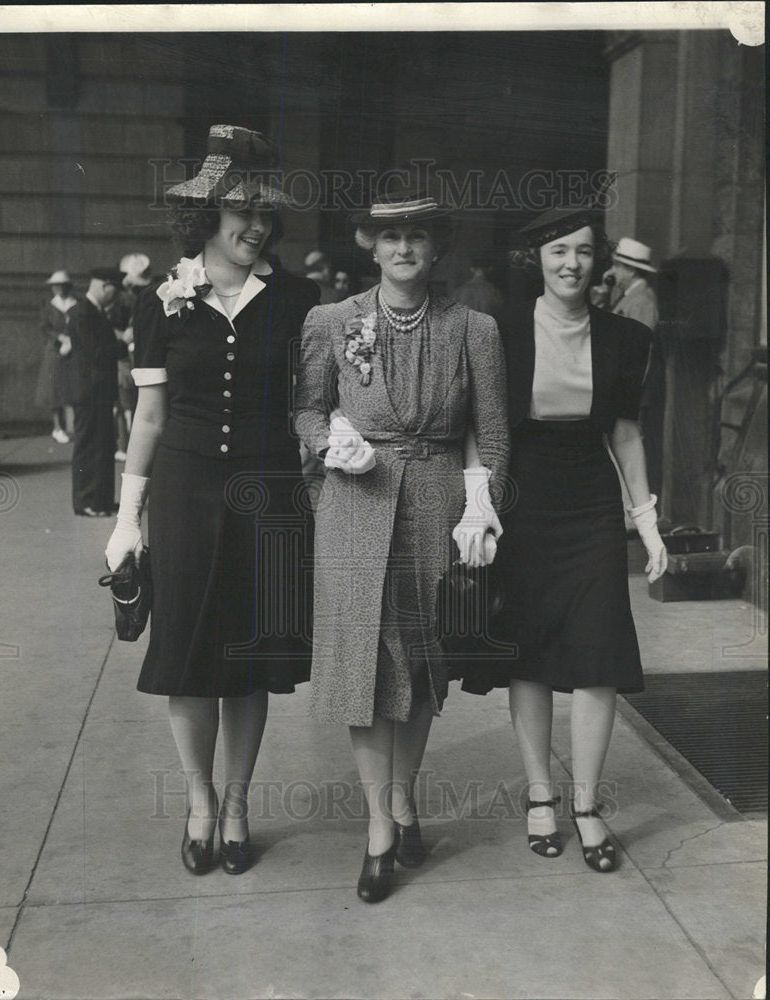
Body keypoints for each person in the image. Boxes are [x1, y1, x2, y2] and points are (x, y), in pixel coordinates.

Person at [104, 125, 320, 876]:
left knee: (251, 657)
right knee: (190, 652)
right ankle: (199, 802)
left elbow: (311, 399)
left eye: (264, 212)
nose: (255, 225)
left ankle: (236, 803)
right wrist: (127, 521)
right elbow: (150, 419)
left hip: (270, 497)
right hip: (186, 496)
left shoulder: (298, 299)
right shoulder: (164, 301)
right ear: (209, 215)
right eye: (241, 209)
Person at [295, 187, 509, 902]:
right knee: (363, 666)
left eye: (418, 236)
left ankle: (405, 796)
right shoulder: (332, 320)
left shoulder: (472, 328)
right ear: (368, 243)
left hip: (436, 506)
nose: (404, 248)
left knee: (419, 666)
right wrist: (331, 442)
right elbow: (307, 409)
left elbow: (496, 434)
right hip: (355, 505)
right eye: (390, 237)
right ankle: (379, 826)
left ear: (436, 246)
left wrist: (480, 508)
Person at [479, 207, 667, 872]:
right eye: (559, 251)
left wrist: (643, 519)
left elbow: (625, 432)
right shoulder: (500, 331)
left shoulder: (623, 337)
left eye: (584, 253)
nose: (570, 264)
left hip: (590, 501)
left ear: (599, 262)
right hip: (523, 497)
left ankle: (585, 806)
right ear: (539, 258)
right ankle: (539, 793)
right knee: (529, 648)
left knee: (598, 652)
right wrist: (479, 503)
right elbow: (483, 424)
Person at [604, 237, 664, 493]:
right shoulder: (629, 296)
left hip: (630, 391)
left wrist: (628, 392)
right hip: (622, 389)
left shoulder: (642, 300)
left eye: (617, 266)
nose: (613, 272)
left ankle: (632, 508)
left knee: (629, 447)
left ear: (630, 269)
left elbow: (640, 352)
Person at [69, 267, 126, 516]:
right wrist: (124, 344)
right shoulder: (84, 313)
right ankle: (86, 501)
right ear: (104, 285)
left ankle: (101, 499)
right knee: (90, 446)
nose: (116, 296)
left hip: (96, 392)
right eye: (115, 290)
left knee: (103, 445)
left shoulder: (91, 312)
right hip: (90, 392)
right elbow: (98, 353)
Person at [110, 253, 152, 461]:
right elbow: (108, 325)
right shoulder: (116, 298)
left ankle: (129, 444)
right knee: (124, 402)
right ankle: (123, 444)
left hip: (133, 352)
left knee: (133, 401)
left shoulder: (137, 295)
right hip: (121, 354)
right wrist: (122, 334)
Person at [35, 269, 77, 444]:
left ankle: (72, 427)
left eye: (62, 285)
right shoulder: (48, 305)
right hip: (54, 351)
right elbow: (45, 327)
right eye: (55, 286)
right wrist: (59, 338)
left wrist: (72, 339)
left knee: (71, 387)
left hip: (74, 350)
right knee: (53, 390)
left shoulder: (76, 303)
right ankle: (57, 427)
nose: (58, 288)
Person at [452, 254, 507, 332]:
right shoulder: (495, 292)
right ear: (490, 269)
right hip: (486, 334)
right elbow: (500, 319)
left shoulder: (459, 292)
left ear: (472, 269)